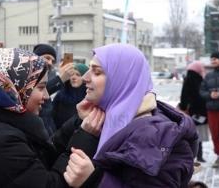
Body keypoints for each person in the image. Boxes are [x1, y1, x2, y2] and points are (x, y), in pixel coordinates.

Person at [0, 48, 104, 188]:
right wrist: (85, 137)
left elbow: (42, 158)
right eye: (40, 88)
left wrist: (77, 122)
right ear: (11, 88)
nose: (47, 96)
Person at [63, 44, 198, 188]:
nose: (85, 77)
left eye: (97, 72)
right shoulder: (113, 121)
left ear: (121, 79)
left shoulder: (153, 137)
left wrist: (95, 181)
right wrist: (83, 123)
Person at [33, 44, 74, 135]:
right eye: (47, 58)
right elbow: (34, 91)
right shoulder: (28, 79)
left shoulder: (48, 76)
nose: (50, 63)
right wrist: (60, 79)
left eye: (53, 60)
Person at [200, 51, 219, 169]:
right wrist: (209, 95)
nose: (213, 61)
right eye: (212, 59)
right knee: (215, 135)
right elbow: (202, 91)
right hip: (212, 111)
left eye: (215, 59)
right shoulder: (208, 76)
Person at [178, 61, 209, 163]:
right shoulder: (201, 79)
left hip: (192, 112)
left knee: (192, 134)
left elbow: (183, 96)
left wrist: (183, 107)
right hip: (201, 111)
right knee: (199, 134)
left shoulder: (188, 79)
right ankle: (199, 155)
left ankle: (192, 155)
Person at [52, 63, 88, 129]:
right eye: (71, 75)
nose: (73, 77)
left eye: (78, 75)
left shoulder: (88, 98)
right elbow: (52, 116)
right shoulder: (60, 95)